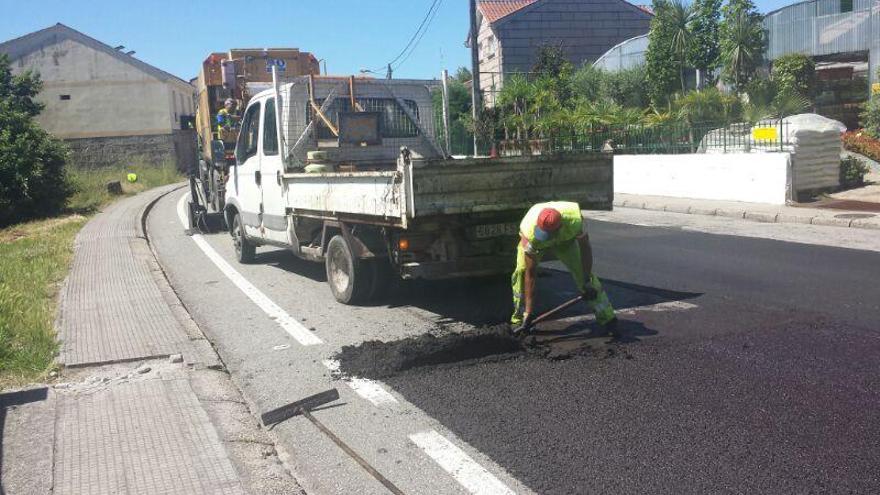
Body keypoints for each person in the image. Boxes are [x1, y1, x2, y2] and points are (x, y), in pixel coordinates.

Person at [510, 201, 617, 335]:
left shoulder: (576, 221)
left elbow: (585, 249)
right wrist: (529, 312)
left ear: (560, 226)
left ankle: (608, 319)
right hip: (535, 243)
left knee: (584, 275)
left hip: (565, 241)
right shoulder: (529, 231)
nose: (546, 238)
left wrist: (586, 279)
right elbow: (530, 274)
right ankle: (520, 319)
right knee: (521, 272)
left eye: (548, 235)